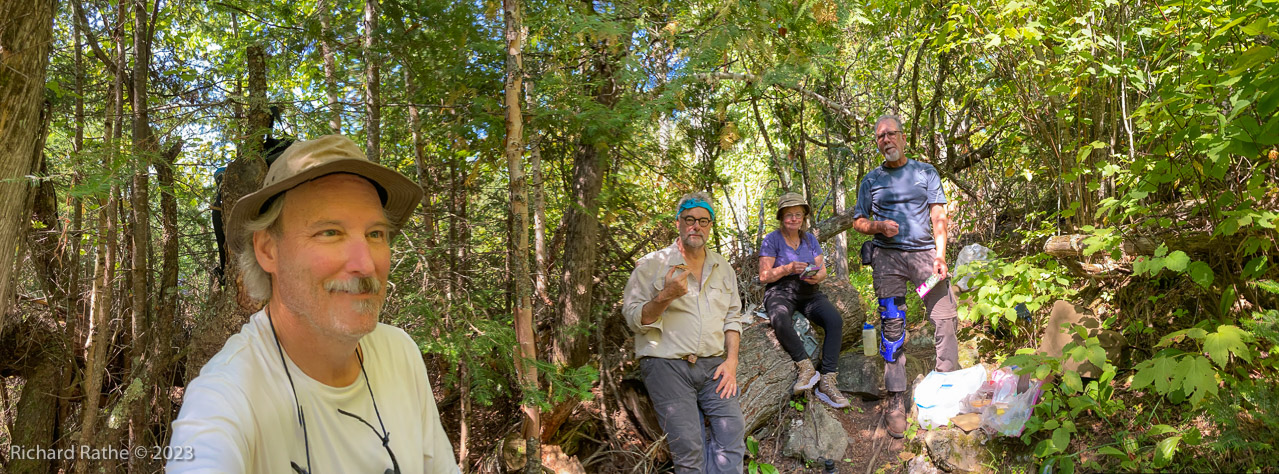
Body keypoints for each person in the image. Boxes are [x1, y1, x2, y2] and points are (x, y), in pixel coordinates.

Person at [168, 135, 460, 473]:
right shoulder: (224, 400)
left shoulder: (399, 354)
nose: (366, 265)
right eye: (330, 232)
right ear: (267, 250)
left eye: (375, 234)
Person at [622, 192, 750, 474]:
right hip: (666, 365)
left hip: (713, 366)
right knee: (689, 449)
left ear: (710, 225)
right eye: (689, 219)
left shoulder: (723, 267)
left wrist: (731, 362)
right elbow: (633, 319)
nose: (696, 226)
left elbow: (732, 317)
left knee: (732, 434)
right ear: (678, 222)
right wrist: (666, 295)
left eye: (703, 221)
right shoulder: (651, 265)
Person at [852, 115, 961, 439]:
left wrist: (940, 255)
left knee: (945, 317)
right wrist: (877, 226)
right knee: (892, 324)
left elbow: (938, 215)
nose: (886, 139)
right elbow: (858, 221)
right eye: (880, 136)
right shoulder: (871, 180)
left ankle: (947, 384)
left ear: (902, 137)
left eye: (891, 134)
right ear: (877, 143)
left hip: (925, 255)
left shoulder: (925, 172)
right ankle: (896, 398)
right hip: (887, 258)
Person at [758, 192, 849, 408]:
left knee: (834, 321)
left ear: (803, 217)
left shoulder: (810, 239)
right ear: (781, 217)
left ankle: (827, 379)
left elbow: (822, 270)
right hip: (780, 291)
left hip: (808, 291)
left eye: (798, 214)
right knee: (780, 317)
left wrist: (816, 277)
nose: (794, 219)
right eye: (789, 215)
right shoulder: (772, 240)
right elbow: (764, 276)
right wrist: (788, 268)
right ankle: (805, 367)